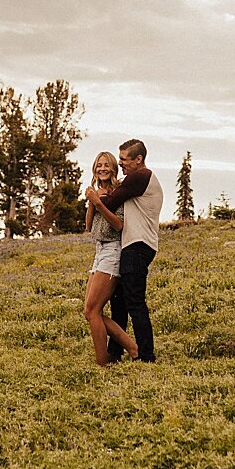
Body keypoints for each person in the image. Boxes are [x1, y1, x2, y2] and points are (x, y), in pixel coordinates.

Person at [86, 138, 164, 362]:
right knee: (119, 301)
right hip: (131, 245)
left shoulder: (140, 176)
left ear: (138, 159)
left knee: (134, 300)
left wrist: (96, 198)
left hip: (137, 245)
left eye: (123, 159)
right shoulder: (134, 180)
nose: (120, 164)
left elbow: (111, 202)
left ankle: (144, 354)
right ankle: (116, 351)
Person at [82, 152, 138, 366]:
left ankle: (102, 363)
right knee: (89, 311)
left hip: (113, 250)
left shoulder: (118, 192)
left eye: (106, 165)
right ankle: (132, 348)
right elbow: (88, 227)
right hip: (99, 250)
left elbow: (119, 225)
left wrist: (100, 203)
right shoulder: (96, 193)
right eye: (99, 165)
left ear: (113, 168)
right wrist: (92, 202)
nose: (102, 168)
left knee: (92, 310)